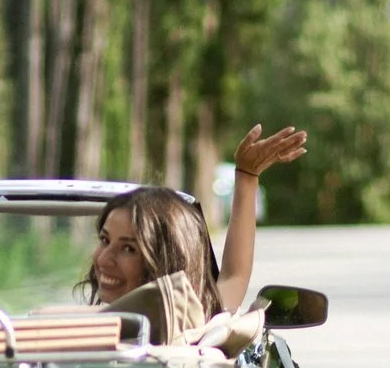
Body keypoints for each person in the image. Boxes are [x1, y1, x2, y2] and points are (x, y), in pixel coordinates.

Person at [83, 124, 308, 340]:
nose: (103, 259)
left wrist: (247, 176)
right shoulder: (198, 333)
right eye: (105, 240)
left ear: (167, 262)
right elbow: (234, 276)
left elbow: (234, 276)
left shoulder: (193, 337)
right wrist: (247, 176)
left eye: (128, 248)